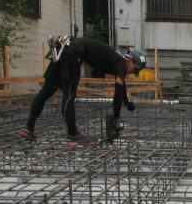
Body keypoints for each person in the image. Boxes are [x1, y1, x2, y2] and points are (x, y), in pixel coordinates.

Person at [18, 36, 146, 143]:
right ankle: (73, 134)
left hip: (62, 47)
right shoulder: (121, 62)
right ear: (130, 60)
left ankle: (28, 128)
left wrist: (126, 102)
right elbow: (118, 91)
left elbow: (121, 87)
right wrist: (115, 116)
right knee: (69, 94)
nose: (132, 73)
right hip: (72, 52)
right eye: (135, 69)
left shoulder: (117, 58)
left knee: (46, 91)